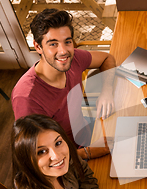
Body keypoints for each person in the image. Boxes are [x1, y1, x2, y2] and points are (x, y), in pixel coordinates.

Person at [12, 9, 115, 160]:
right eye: (53, 44)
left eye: (67, 42)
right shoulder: (26, 98)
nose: (63, 51)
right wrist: (88, 152)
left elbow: (107, 58)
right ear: (38, 47)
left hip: (89, 133)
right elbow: (37, 157)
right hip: (68, 161)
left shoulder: (72, 59)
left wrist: (106, 91)